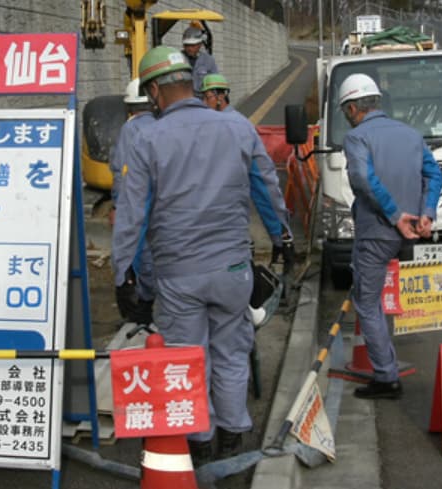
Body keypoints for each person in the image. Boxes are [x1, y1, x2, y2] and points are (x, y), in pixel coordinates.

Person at [112, 46, 280, 464]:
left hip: (179, 274)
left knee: (189, 357)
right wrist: (284, 237)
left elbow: (133, 213)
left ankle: (200, 440)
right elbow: (266, 184)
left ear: (154, 91)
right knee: (231, 350)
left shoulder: (147, 136)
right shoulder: (236, 127)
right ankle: (234, 433)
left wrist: (123, 273)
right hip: (233, 269)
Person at [338, 73, 442, 399]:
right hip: (410, 233)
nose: (347, 116)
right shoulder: (410, 134)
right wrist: (426, 213)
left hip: (377, 231)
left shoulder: (357, 138)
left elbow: (362, 179)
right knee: (382, 300)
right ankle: (388, 360)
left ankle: (386, 376)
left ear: (354, 107)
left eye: (346, 110)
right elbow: (434, 173)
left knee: (366, 303)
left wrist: (395, 215)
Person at [200, 73, 295, 276]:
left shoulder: (198, 129)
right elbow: (264, 184)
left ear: (219, 97)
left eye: (205, 97)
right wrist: (280, 235)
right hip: (232, 234)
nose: (202, 102)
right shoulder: (242, 128)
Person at [108, 78, 156, 319]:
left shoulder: (130, 129)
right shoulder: (163, 123)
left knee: (135, 249)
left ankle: (140, 302)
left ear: (129, 107)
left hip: (137, 197)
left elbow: (122, 171)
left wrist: (117, 204)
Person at [182, 25, 219, 97]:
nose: (189, 48)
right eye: (186, 45)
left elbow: (215, 83)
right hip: (184, 101)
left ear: (200, 44)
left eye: (192, 45)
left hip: (202, 101)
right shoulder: (178, 58)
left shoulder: (208, 60)